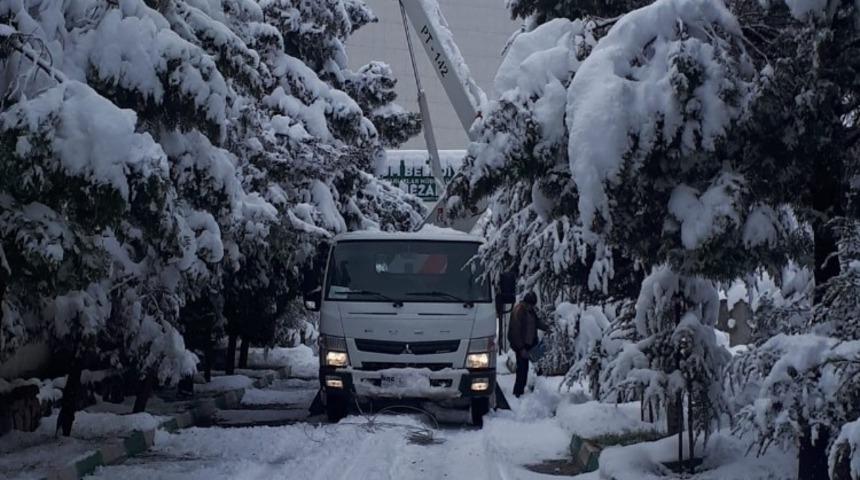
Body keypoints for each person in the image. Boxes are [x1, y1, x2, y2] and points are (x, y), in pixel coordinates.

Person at [507, 291, 547, 397]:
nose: (531, 307)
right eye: (530, 305)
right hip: (522, 345)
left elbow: (536, 322)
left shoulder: (530, 311)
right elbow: (515, 332)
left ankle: (540, 387)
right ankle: (518, 392)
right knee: (522, 370)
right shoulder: (519, 311)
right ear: (526, 302)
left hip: (531, 343)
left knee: (539, 365)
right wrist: (521, 349)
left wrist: (547, 327)